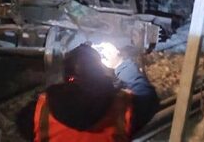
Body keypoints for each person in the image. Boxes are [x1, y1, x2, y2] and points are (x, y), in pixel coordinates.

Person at [17, 43, 159, 141]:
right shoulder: (123, 107)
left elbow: (24, 128)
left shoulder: (39, 110)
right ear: (100, 73)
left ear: (67, 76)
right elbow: (147, 95)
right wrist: (120, 64)